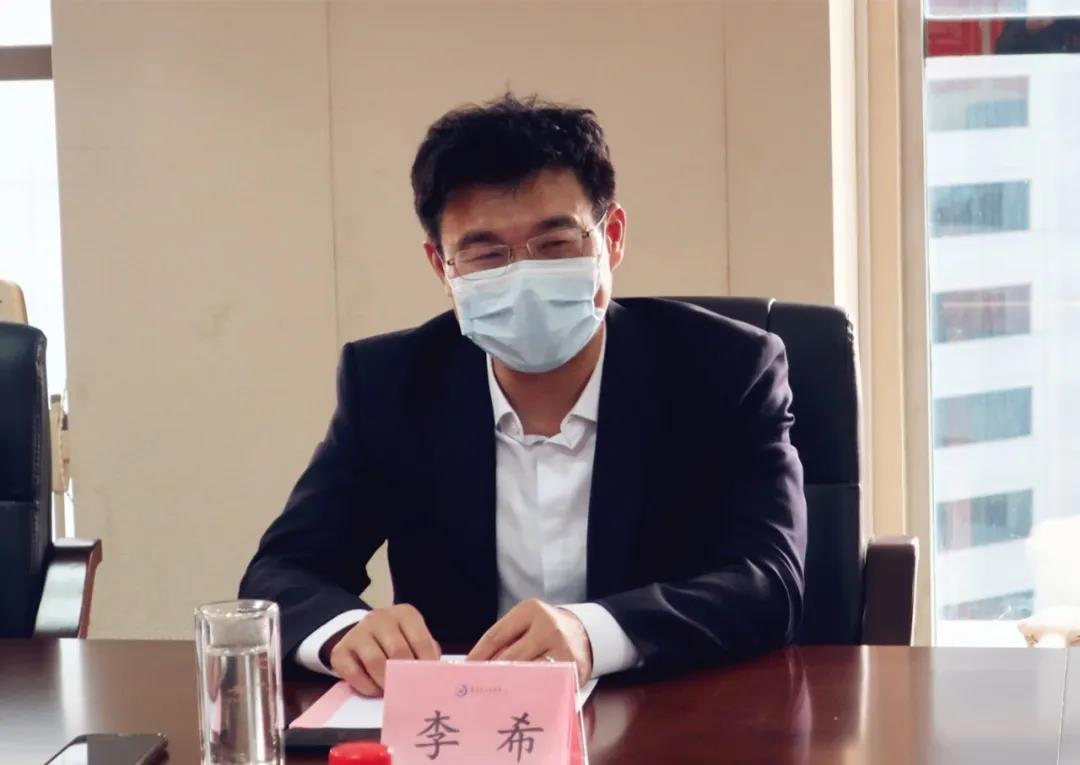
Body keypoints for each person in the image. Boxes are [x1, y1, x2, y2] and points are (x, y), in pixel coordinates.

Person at [239, 94, 807, 696]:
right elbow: (283, 573)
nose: (523, 277)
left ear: (612, 237)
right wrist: (346, 632)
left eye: (554, 244)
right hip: (464, 721)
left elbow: (768, 580)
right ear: (442, 267)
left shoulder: (724, 369)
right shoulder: (391, 383)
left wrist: (591, 634)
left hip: (666, 712)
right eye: (486, 254)